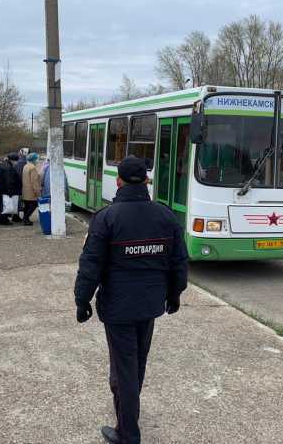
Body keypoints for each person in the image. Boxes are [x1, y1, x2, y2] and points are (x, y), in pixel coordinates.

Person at [74, 156, 188, 444]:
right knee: (136, 363)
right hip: (150, 304)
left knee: (124, 368)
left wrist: (82, 299)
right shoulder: (165, 216)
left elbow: (91, 265)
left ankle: (128, 433)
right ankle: (128, 411)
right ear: (147, 181)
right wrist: (175, 294)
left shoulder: (107, 218)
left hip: (118, 306)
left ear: (119, 181)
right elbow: (179, 262)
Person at [0, 153, 22, 225]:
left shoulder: (2, 164)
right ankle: (3, 219)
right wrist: (10, 191)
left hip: (1, 187)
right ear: (13, 160)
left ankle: (1, 218)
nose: (16, 163)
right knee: (6, 204)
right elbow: (9, 180)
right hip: (6, 189)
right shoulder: (9, 168)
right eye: (16, 161)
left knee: (2, 204)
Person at [21, 152, 41, 226]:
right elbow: (34, 181)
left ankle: (25, 219)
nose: (37, 161)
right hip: (31, 191)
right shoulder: (33, 168)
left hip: (25, 189)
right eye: (37, 159)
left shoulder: (26, 166)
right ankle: (26, 218)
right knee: (34, 205)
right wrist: (37, 191)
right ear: (34, 159)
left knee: (27, 205)